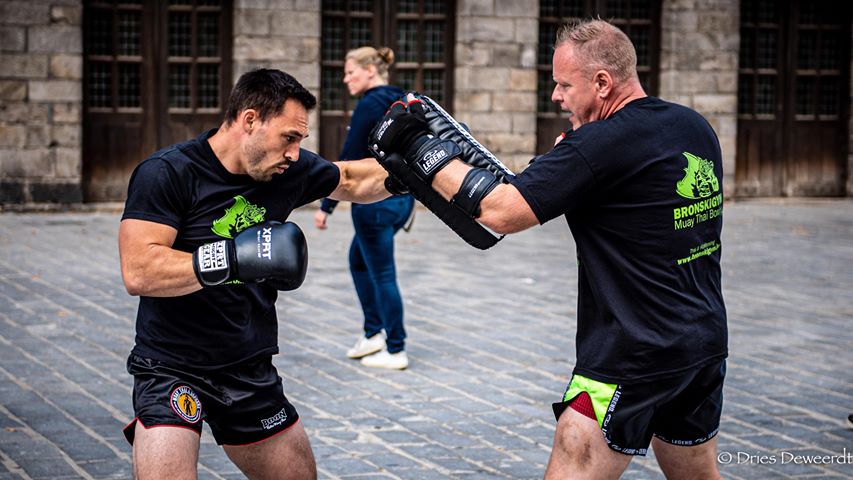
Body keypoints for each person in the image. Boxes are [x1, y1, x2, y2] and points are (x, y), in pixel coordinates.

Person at [370, 19, 728, 479]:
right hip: (702, 343)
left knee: (573, 460)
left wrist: (415, 142)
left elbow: (500, 212)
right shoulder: (692, 125)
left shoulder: (598, 144)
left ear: (602, 83)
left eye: (563, 85)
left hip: (631, 351)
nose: (556, 97)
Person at [118, 68, 392, 479]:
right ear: (250, 120)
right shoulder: (168, 172)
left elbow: (353, 179)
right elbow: (139, 270)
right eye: (289, 137)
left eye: (301, 141)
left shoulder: (285, 170)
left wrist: (419, 169)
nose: (296, 153)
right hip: (170, 366)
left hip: (247, 367)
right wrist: (233, 259)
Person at [313, 46, 414, 370]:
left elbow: (348, 158)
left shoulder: (370, 103)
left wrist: (326, 205)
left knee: (382, 272)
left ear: (370, 71)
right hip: (402, 200)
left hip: (375, 203)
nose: (345, 79)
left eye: (350, 71)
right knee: (359, 260)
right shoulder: (402, 99)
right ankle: (373, 333)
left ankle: (395, 347)